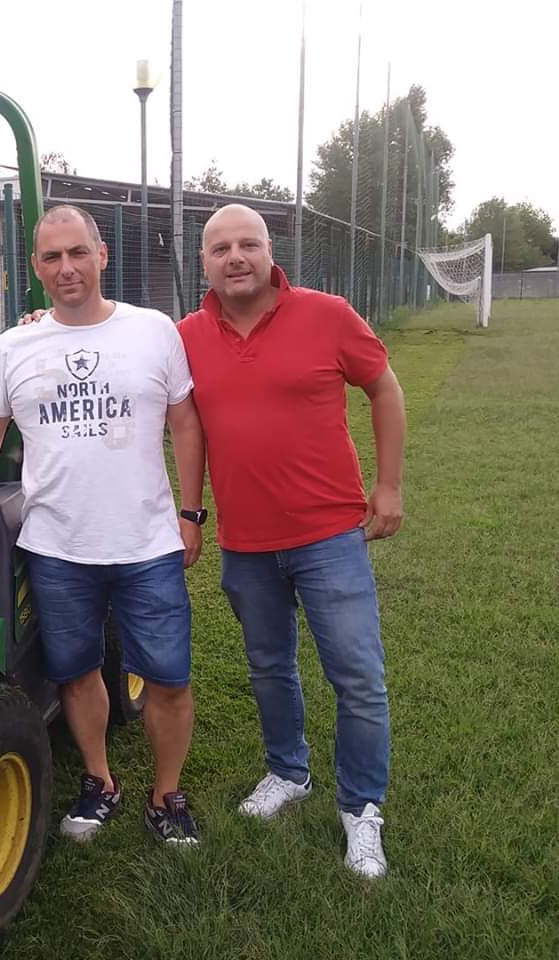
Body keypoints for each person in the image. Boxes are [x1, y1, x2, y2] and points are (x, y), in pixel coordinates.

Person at [0, 205, 206, 845]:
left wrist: (192, 512)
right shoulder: (14, 345)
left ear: (101, 256)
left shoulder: (153, 330)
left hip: (147, 543)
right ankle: (99, 781)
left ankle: (167, 796)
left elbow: (185, 421)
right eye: (52, 257)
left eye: (77, 253)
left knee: (170, 679)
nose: (66, 267)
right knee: (76, 674)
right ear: (36, 267)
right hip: (57, 546)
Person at [178, 203, 406, 878]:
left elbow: (384, 389)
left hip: (330, 534)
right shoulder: (186, 335)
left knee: (358, 678)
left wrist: (388, 486)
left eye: (248, 243)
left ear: (271, 251)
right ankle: (288, 772)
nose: (235, 256)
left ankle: (361, 808)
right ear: (204, 262)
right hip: (246, 544)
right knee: (268, 667)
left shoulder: (328, 314)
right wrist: (44, 323)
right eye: (221, 247)